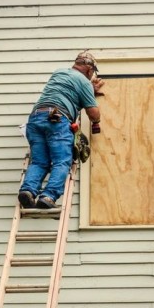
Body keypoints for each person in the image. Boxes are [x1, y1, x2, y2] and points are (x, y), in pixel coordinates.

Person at [19, 51, 103, 210]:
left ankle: (28, 191)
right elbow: (93, 113)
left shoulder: (59, 72)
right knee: (62, 161)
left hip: (36, 119)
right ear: (89, 70)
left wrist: (89, 90)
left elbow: (68, 89)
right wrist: (96, 119)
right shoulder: (84, 82)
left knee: (40, 161)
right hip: (57, 120)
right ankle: (48, 196)